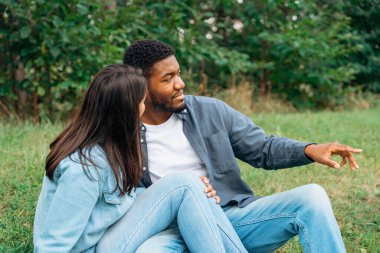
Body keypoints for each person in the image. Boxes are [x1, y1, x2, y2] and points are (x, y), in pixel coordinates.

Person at [122, 40, 363, 253]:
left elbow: (262, 148)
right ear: (140, 85)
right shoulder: (120, 131)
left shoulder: (210, 111)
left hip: (231, 219)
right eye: (168, 78)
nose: (180, 84)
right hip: (169, 233)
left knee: (312, 198)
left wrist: (309, 150)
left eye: (178, 74)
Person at [33, 65, 248, 253]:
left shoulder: (111, 147)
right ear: (124, 111)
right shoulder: (83, 167)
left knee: (188, 185)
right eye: (141, 102)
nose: (144, 109)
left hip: (108, 236)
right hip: (95, 248)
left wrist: (185, 193)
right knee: (185, 185)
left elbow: (121, 200)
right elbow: (53, 244)